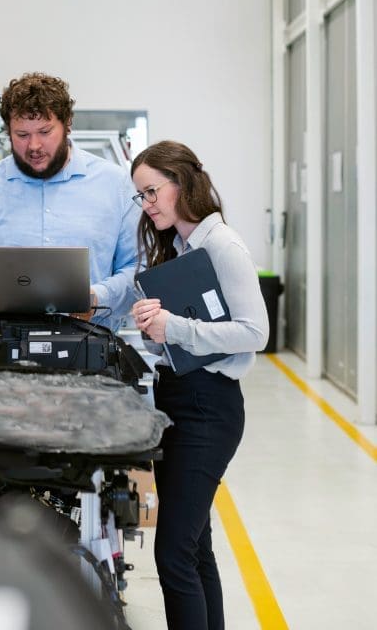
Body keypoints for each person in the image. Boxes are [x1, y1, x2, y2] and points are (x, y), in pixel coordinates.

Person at [130, 141, 268, 630]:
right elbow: (185, 336)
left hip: (209, 409)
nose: (147, 204)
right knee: (195, 546)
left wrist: (176, 328)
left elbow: (256, 333)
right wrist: (154, 332)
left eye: (151, 191)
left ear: (181, 183)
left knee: (173, 553)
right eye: (140, 196)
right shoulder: (182, 249)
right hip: (179, 399)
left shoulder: (221, 245)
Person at [0, 72, 139, 329]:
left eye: (45, 131)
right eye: (22, 135)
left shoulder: (114, 184)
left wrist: (97, 296)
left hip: (90, 348)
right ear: (8, 131)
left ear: (67, 124)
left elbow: (137, 268)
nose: (34, 146)